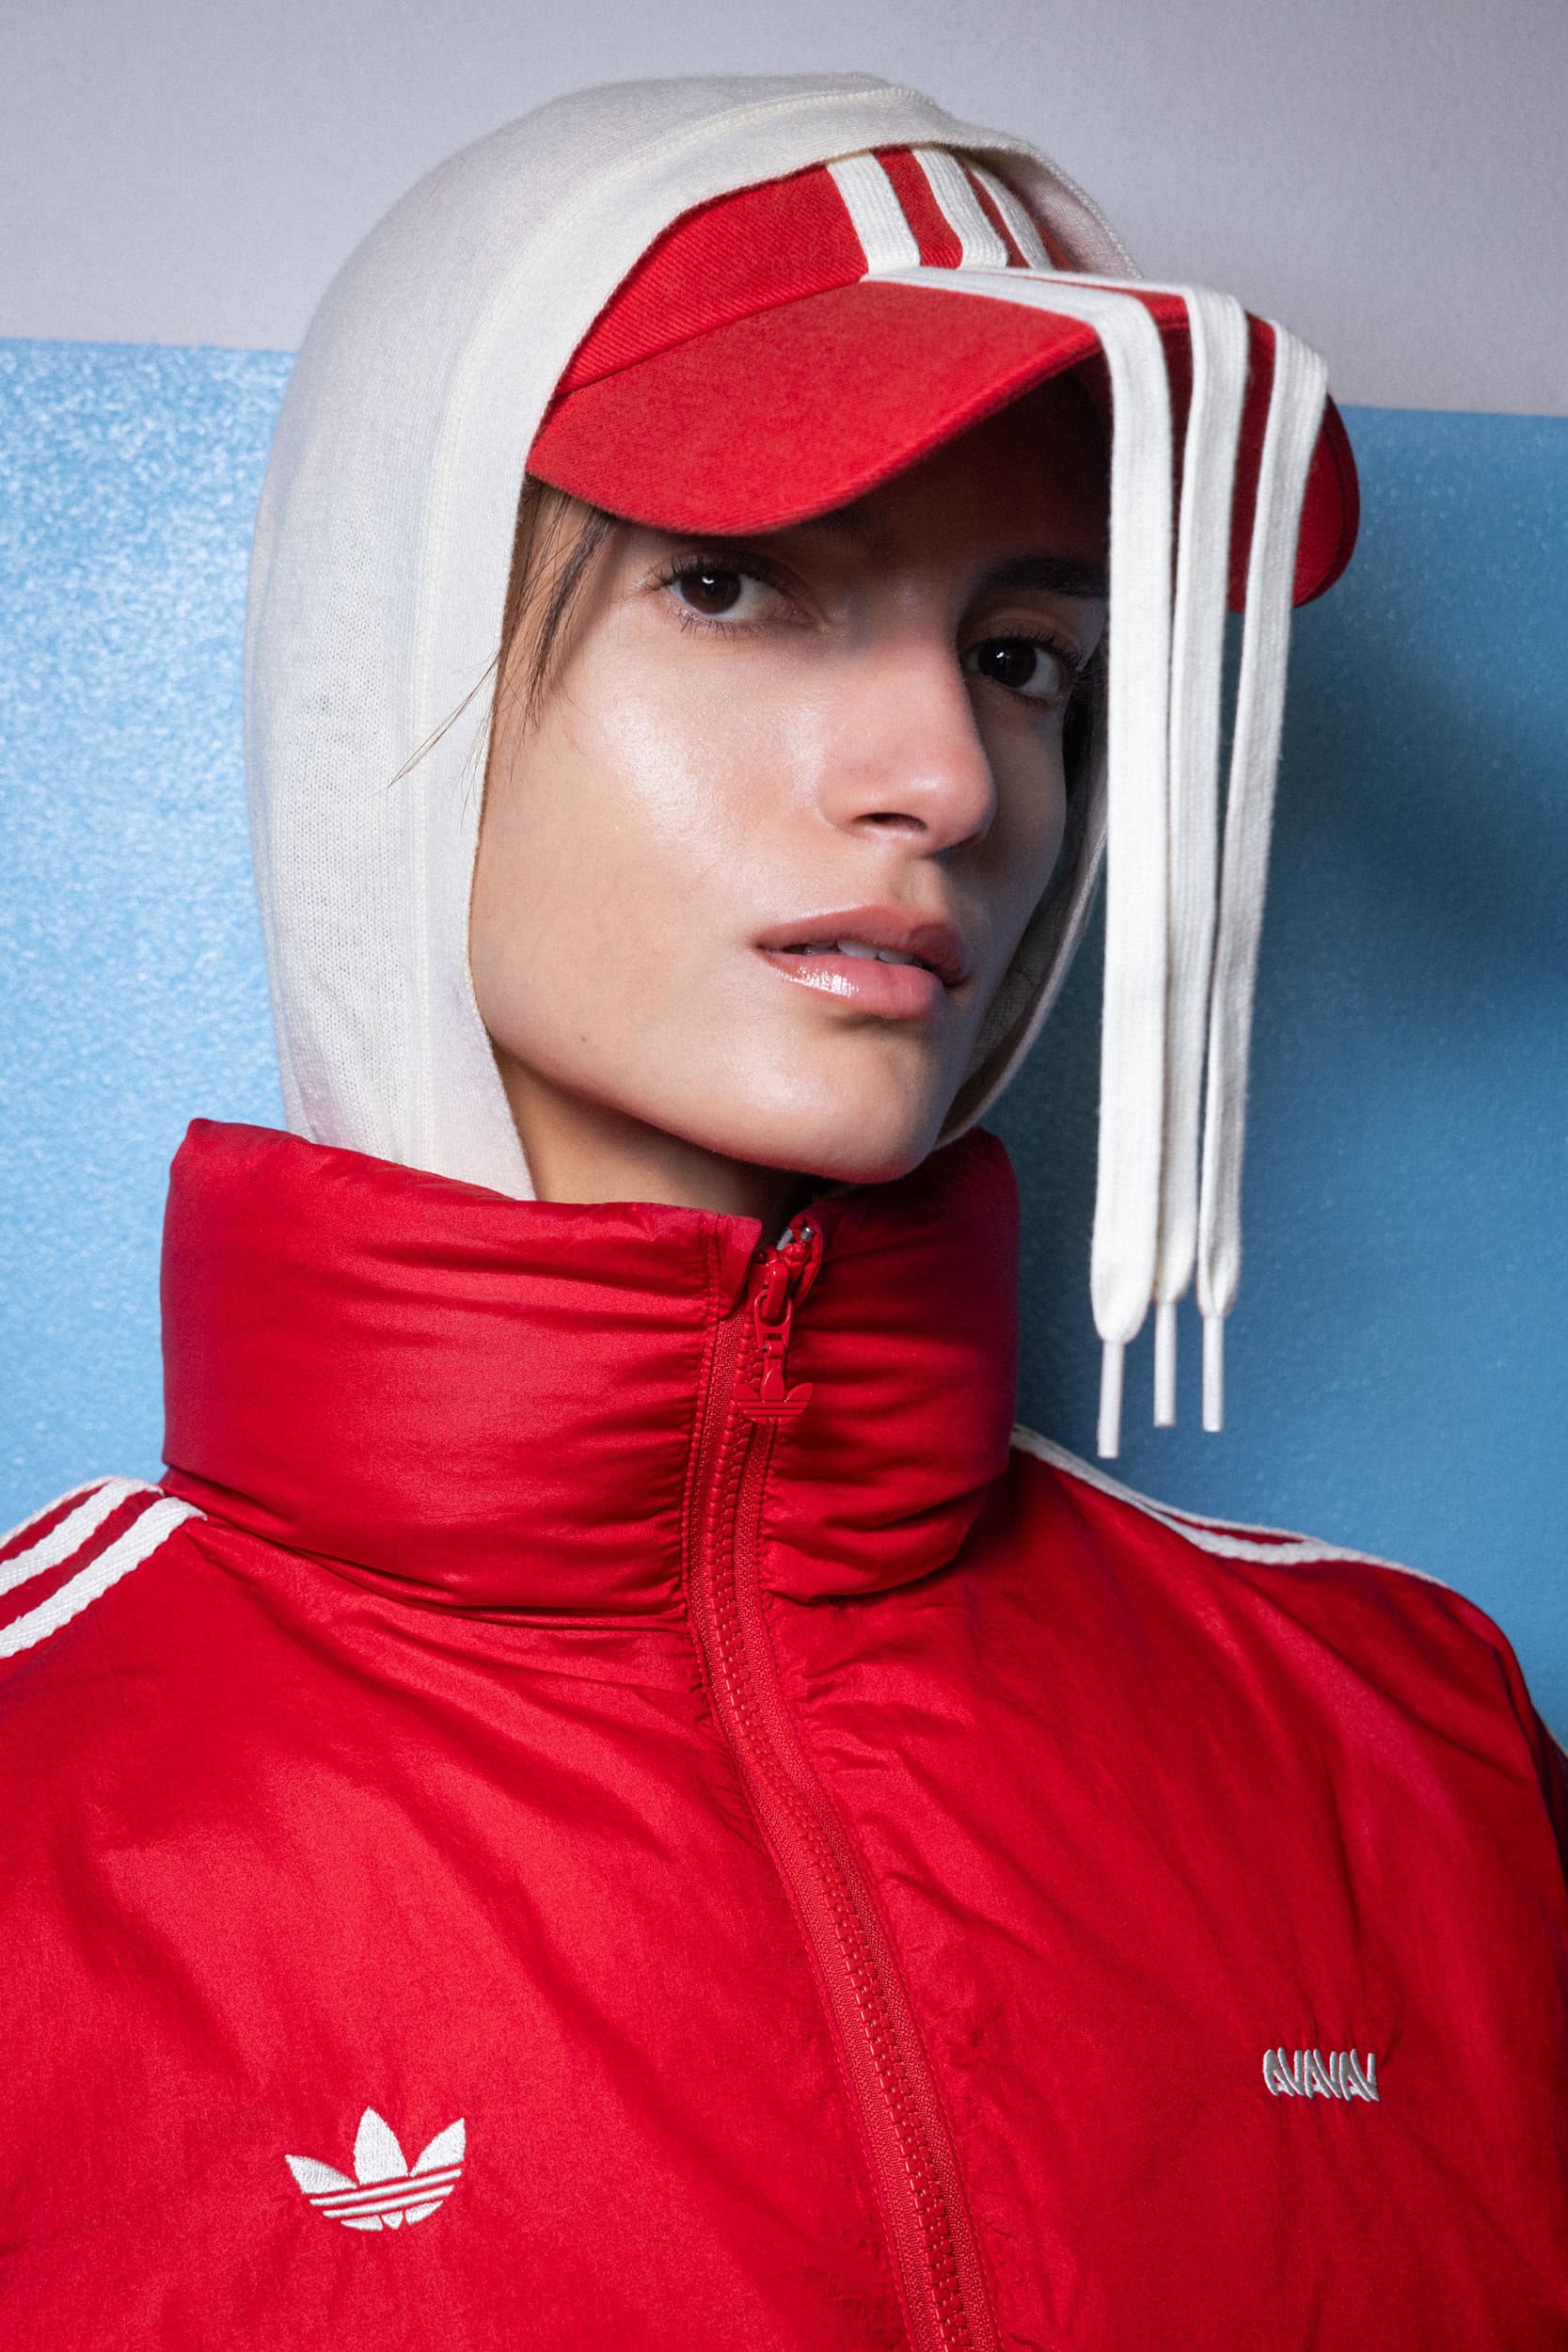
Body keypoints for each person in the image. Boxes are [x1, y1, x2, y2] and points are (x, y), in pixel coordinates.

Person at [1, 71, 1563, 2351]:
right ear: (387, 651)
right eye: (736, 585)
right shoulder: (39, 1791)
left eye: (1024, 656)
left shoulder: (1409, 1740)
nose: (946, 778)